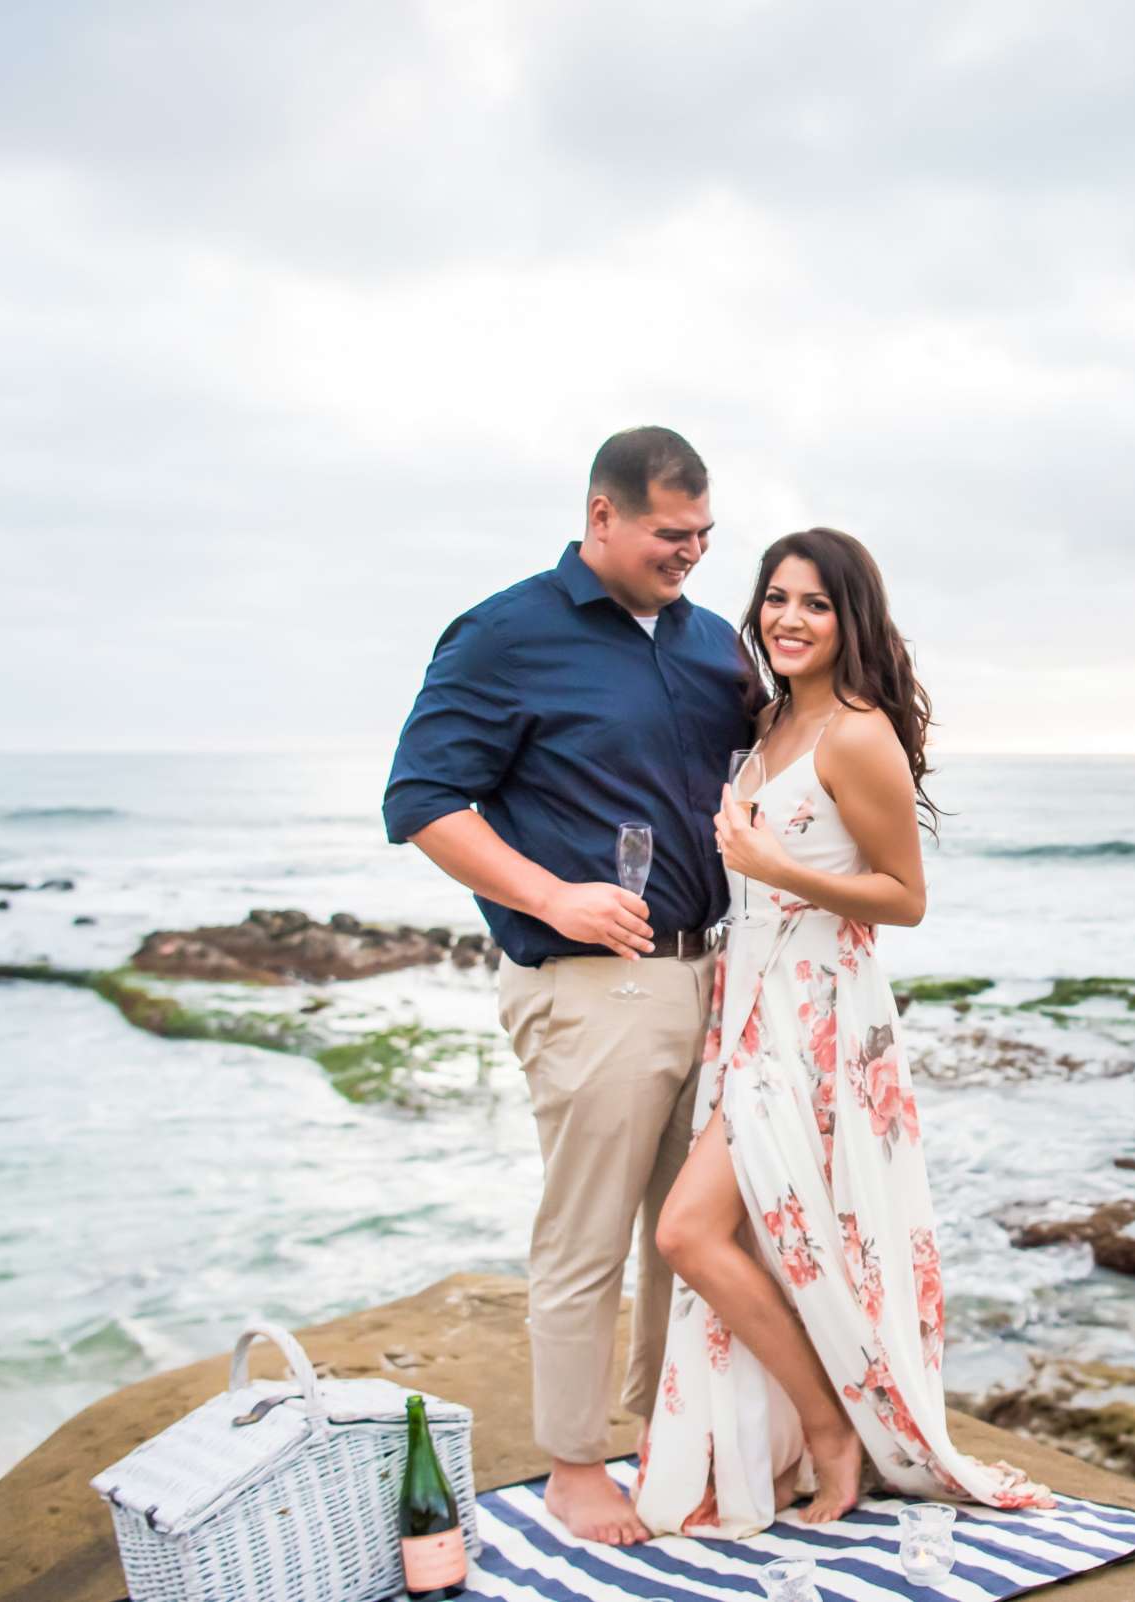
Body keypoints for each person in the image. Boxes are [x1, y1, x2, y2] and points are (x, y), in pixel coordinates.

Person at [634, 528, 1051, 1537]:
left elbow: (904, 897)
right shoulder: (771, 723)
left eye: (815, 604)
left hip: (817, 1020)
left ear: (850, 617)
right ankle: (800, 1438)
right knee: (762, 1235)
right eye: (776, 597)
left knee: (688, 1230)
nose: (787, 618)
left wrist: (780, 872)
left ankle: (830, 1436)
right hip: (750, 1009)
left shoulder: (857, 734)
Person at [382, 427, 749, 1546]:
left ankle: (665, 1434)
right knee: (587, 1236)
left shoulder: (714, 644)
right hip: (591, 984)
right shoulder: (504, 635)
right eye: (667, 534)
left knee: (689, 1236)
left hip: (712, 975)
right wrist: (554, 897)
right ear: (602, 516)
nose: (688, 553)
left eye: (703, 536)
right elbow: (423, 800)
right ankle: (575, 1467)